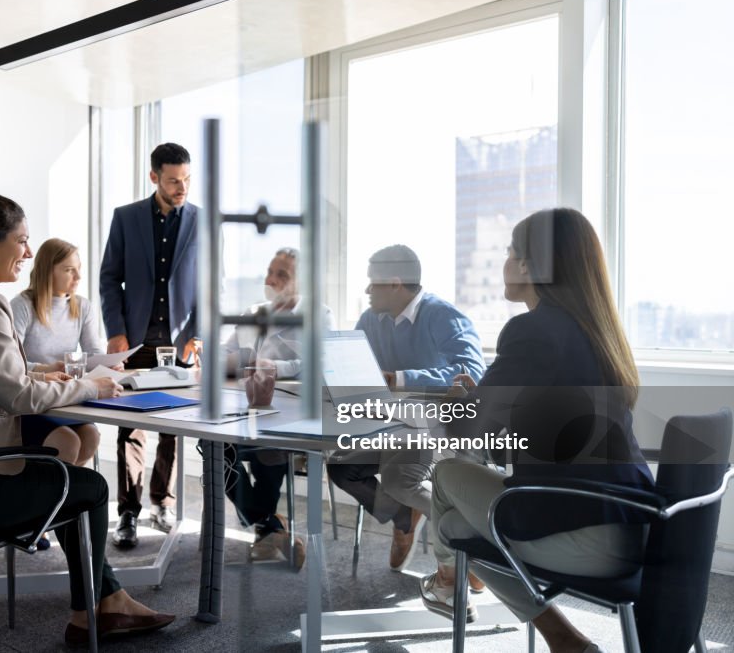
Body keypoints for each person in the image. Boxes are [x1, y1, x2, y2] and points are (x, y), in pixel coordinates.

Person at [0, 183, 174, 645]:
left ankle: (102, 601)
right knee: (88, 486)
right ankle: (95, 609)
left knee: (68, 472)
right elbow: (15, 396)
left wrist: (43, 371)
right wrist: (88, 385)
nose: (28, 252)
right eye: (22, 240)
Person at [418, 208, 653, 653]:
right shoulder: (596, 331)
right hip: (637, 526)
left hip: (585, 536)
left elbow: (471, 436)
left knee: (447, 478)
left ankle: (450, 580)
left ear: (529, 266)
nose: (504, 262)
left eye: (509, 253)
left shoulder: (532, 331)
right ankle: (558, 636)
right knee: (453, 523)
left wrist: (457, 408)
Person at [327, 244, 486, 573]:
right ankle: (404, 519)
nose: (368, 290)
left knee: (402, 480)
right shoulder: (371, 319)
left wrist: (400, 378)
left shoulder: (442, 315)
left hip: (437, 428)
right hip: (389, 425)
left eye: (373, 282)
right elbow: (354, 365)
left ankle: (472, 552)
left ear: (395, 283)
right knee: (341, 467)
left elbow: (472, 373)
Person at [100, 142, 198, 548]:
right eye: (174, 180)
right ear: (154, 176)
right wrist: (115, 330)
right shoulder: (126, 218)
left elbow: (213, 286)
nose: (182, 187)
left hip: (179, 342)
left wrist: (200, 334)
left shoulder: (203, 222)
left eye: (187, 179)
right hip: (135, 339)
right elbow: (109, 278)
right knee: (131, 426)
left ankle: (163, 502)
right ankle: (127, 510)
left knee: (172, 427)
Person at [211, 247, 334, 569]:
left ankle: (267, 528)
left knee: (271, 447)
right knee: (211, 447)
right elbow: (224, 356)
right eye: (270, 271)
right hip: (243, 407)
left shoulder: (319, 314)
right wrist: (235, 362)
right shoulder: (255, 312)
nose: (271, 279)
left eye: (283, 274)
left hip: (290, 413)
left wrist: (275, 366)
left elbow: (320, 362)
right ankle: (270, 524)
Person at [11, 238, 113, 467]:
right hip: (34, 402)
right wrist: (45, 369)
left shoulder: (83, 306)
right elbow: (11, 363)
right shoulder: (22, 306)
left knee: (91, 436)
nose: (77, 277)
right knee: (68, 442)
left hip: (66, 399)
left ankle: (70, 500)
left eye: (79, 270)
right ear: (48, 270)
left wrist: (108, 365)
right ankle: (53, 499)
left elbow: (93, 354)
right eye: (69, 270)